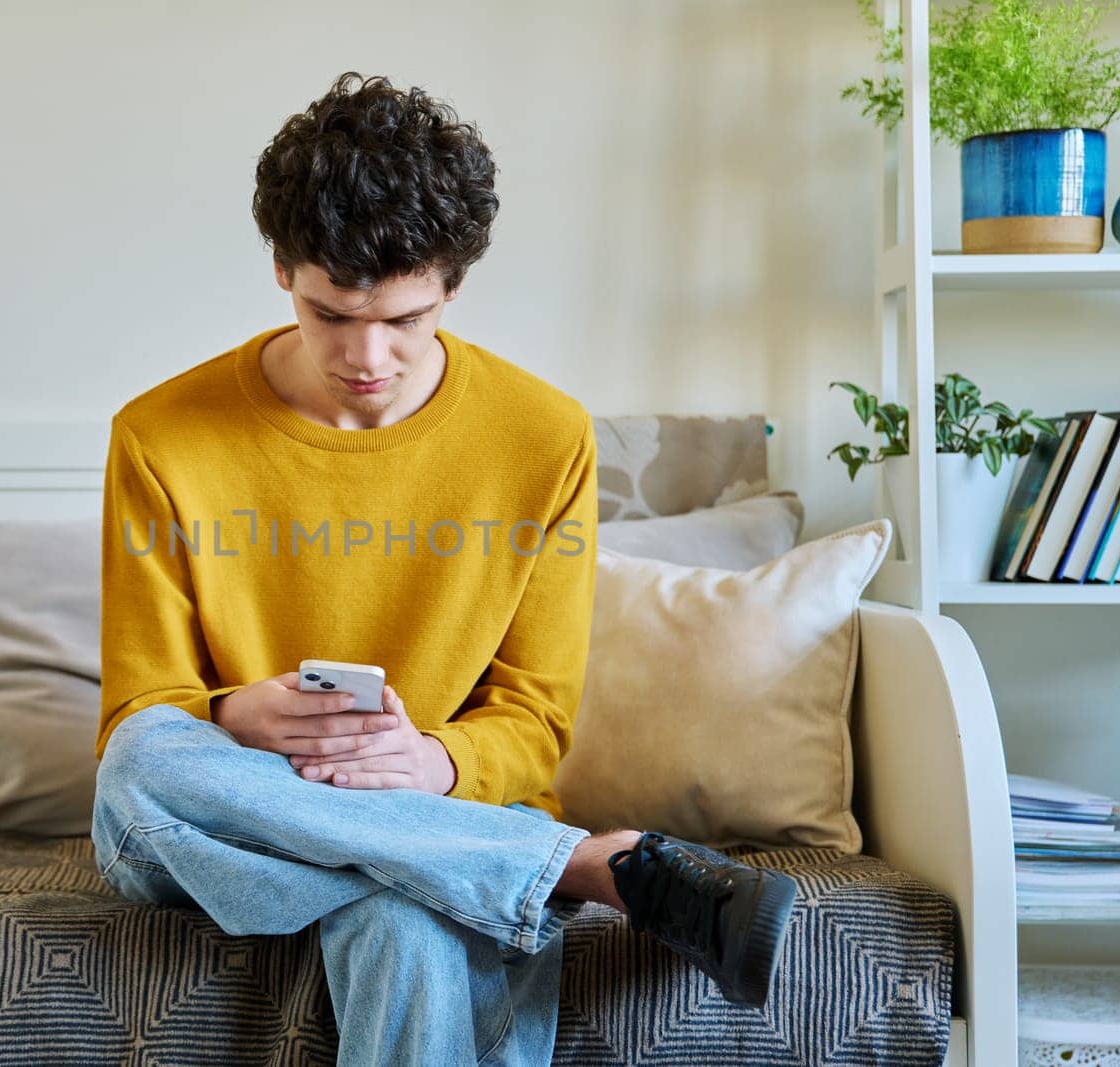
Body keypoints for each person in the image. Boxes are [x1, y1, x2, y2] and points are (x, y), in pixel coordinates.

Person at [92, 71, 797, 1066]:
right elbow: (139, 712)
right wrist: (232, 714)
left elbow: (534, 717)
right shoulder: (160, 435)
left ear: (454, 285)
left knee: (406, 917)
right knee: (141, 763)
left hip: (437, 807)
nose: (365, 355)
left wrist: (431, 764)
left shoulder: (543, 436)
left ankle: (469, 862)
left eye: (406, 318)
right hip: (226, 816)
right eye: (329, 313)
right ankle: (581, 866)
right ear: (282, 269)